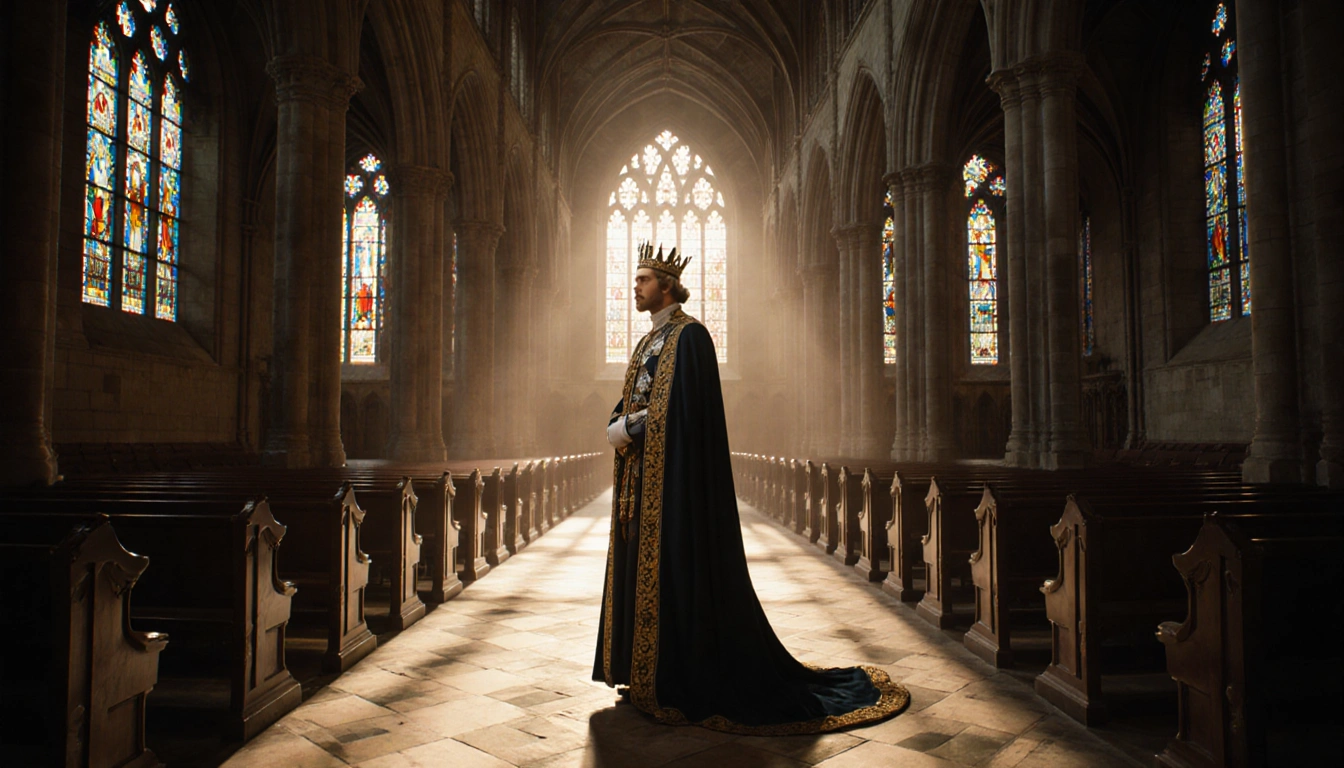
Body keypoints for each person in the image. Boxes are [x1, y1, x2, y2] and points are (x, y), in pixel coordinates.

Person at [592, 242, 908, 734]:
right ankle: (642, 674)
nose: (635, 287)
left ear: (668, 286)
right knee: (641, 572)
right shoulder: (648, 342)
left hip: (673, 485)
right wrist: (621, 423)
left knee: (675, 569)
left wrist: (629, 428)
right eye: (635, 280)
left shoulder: (690, 338)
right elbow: (632, 401)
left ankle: (674, 678)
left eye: (643, 280)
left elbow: (682, 412)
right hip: (639, 482)